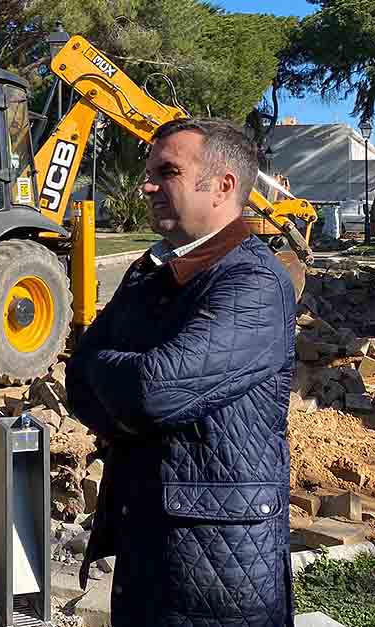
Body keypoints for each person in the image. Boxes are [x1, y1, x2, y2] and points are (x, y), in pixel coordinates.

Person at [66, 117, 297, 626]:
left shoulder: (255, 284)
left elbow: (151, 391)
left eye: (166, 171)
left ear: (224, 186)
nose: (146, 185)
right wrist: (124, 384)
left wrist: (126, 389)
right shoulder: (149, 271)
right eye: (149, 172)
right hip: (146, 550)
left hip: (219, 572)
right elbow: (78, 378)